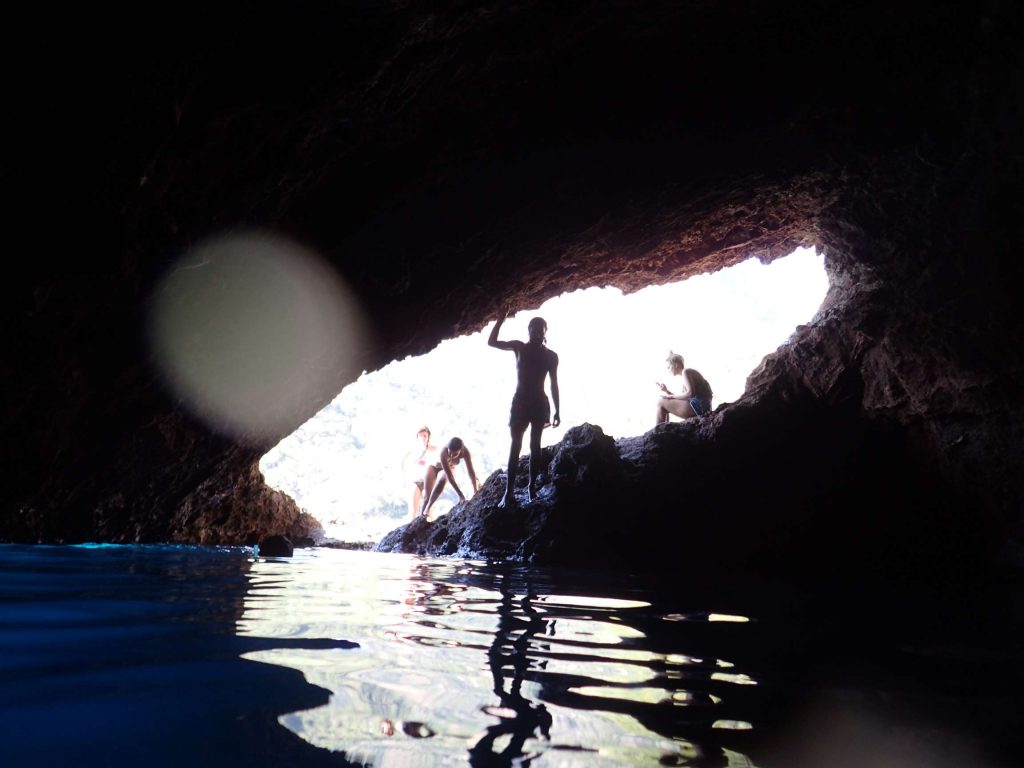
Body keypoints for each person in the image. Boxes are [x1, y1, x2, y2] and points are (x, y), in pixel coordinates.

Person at [488, 306, 560, 507]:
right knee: (515, 446)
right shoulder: (519, 347)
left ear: (545, 332)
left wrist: (557, 410)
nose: (537, 331)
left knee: (534, 446)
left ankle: (531, 488)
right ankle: (508, 492)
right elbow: (492, 342)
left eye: (540, 329)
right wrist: (500, 319)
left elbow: (554, 383)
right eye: (534, 328)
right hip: (520, 401)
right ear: (528, 330)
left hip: (539, 402)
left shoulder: (551, 356)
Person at [419, 436, 480, 519]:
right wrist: (460, 494)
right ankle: (421, 516)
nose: (451, 455)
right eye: (450, 452)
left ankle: (427, 509)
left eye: (455, 454)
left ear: (461, 450)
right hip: (433, 467)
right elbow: (450, 476)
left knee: (442, 480)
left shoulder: (465, 452)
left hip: (447, 469)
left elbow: (471, 471)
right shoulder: (443, 452)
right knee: (426, 496)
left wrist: (475, 489)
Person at [655, 351, 713, 423]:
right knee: (664, 403)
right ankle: (663, 429)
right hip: (700, 407)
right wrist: (666, 391)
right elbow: (684, 398)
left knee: (660, 402)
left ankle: (658, 431)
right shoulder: (687, 374)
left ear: (675, 365)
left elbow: (690, 394)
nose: (668, 370)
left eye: (669, 367)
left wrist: (671, 397)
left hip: (699, 408)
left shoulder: (686, 372)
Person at [401, 426, 438, 519]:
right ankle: (409, 531)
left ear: (428, 437)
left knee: (429, 510)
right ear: (417, 437)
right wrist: (405, 475)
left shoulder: (434, 449)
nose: (423, 438)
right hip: (415, 481)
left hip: (428, 481)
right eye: (421, 436)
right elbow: (402, 461)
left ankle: (431, 531)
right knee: (413, 510)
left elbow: (439, 463)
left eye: (425, 436)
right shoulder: (412, 450)